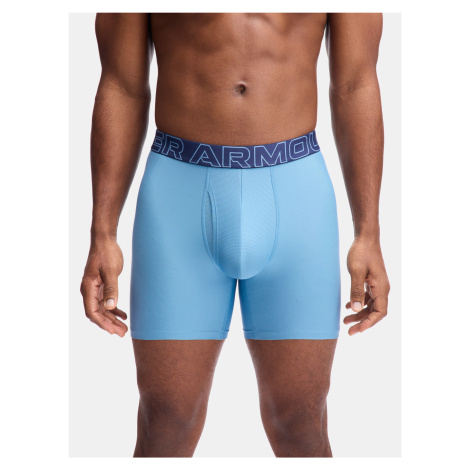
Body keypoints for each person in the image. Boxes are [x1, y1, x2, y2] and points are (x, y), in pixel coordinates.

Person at [80, 13, 390, 458]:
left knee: (301, 422)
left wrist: (369, 233)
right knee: (165, 422)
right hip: (177, 197)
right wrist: (102, 232)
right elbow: (122, 85)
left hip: (296, 194)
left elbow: (355, 83)